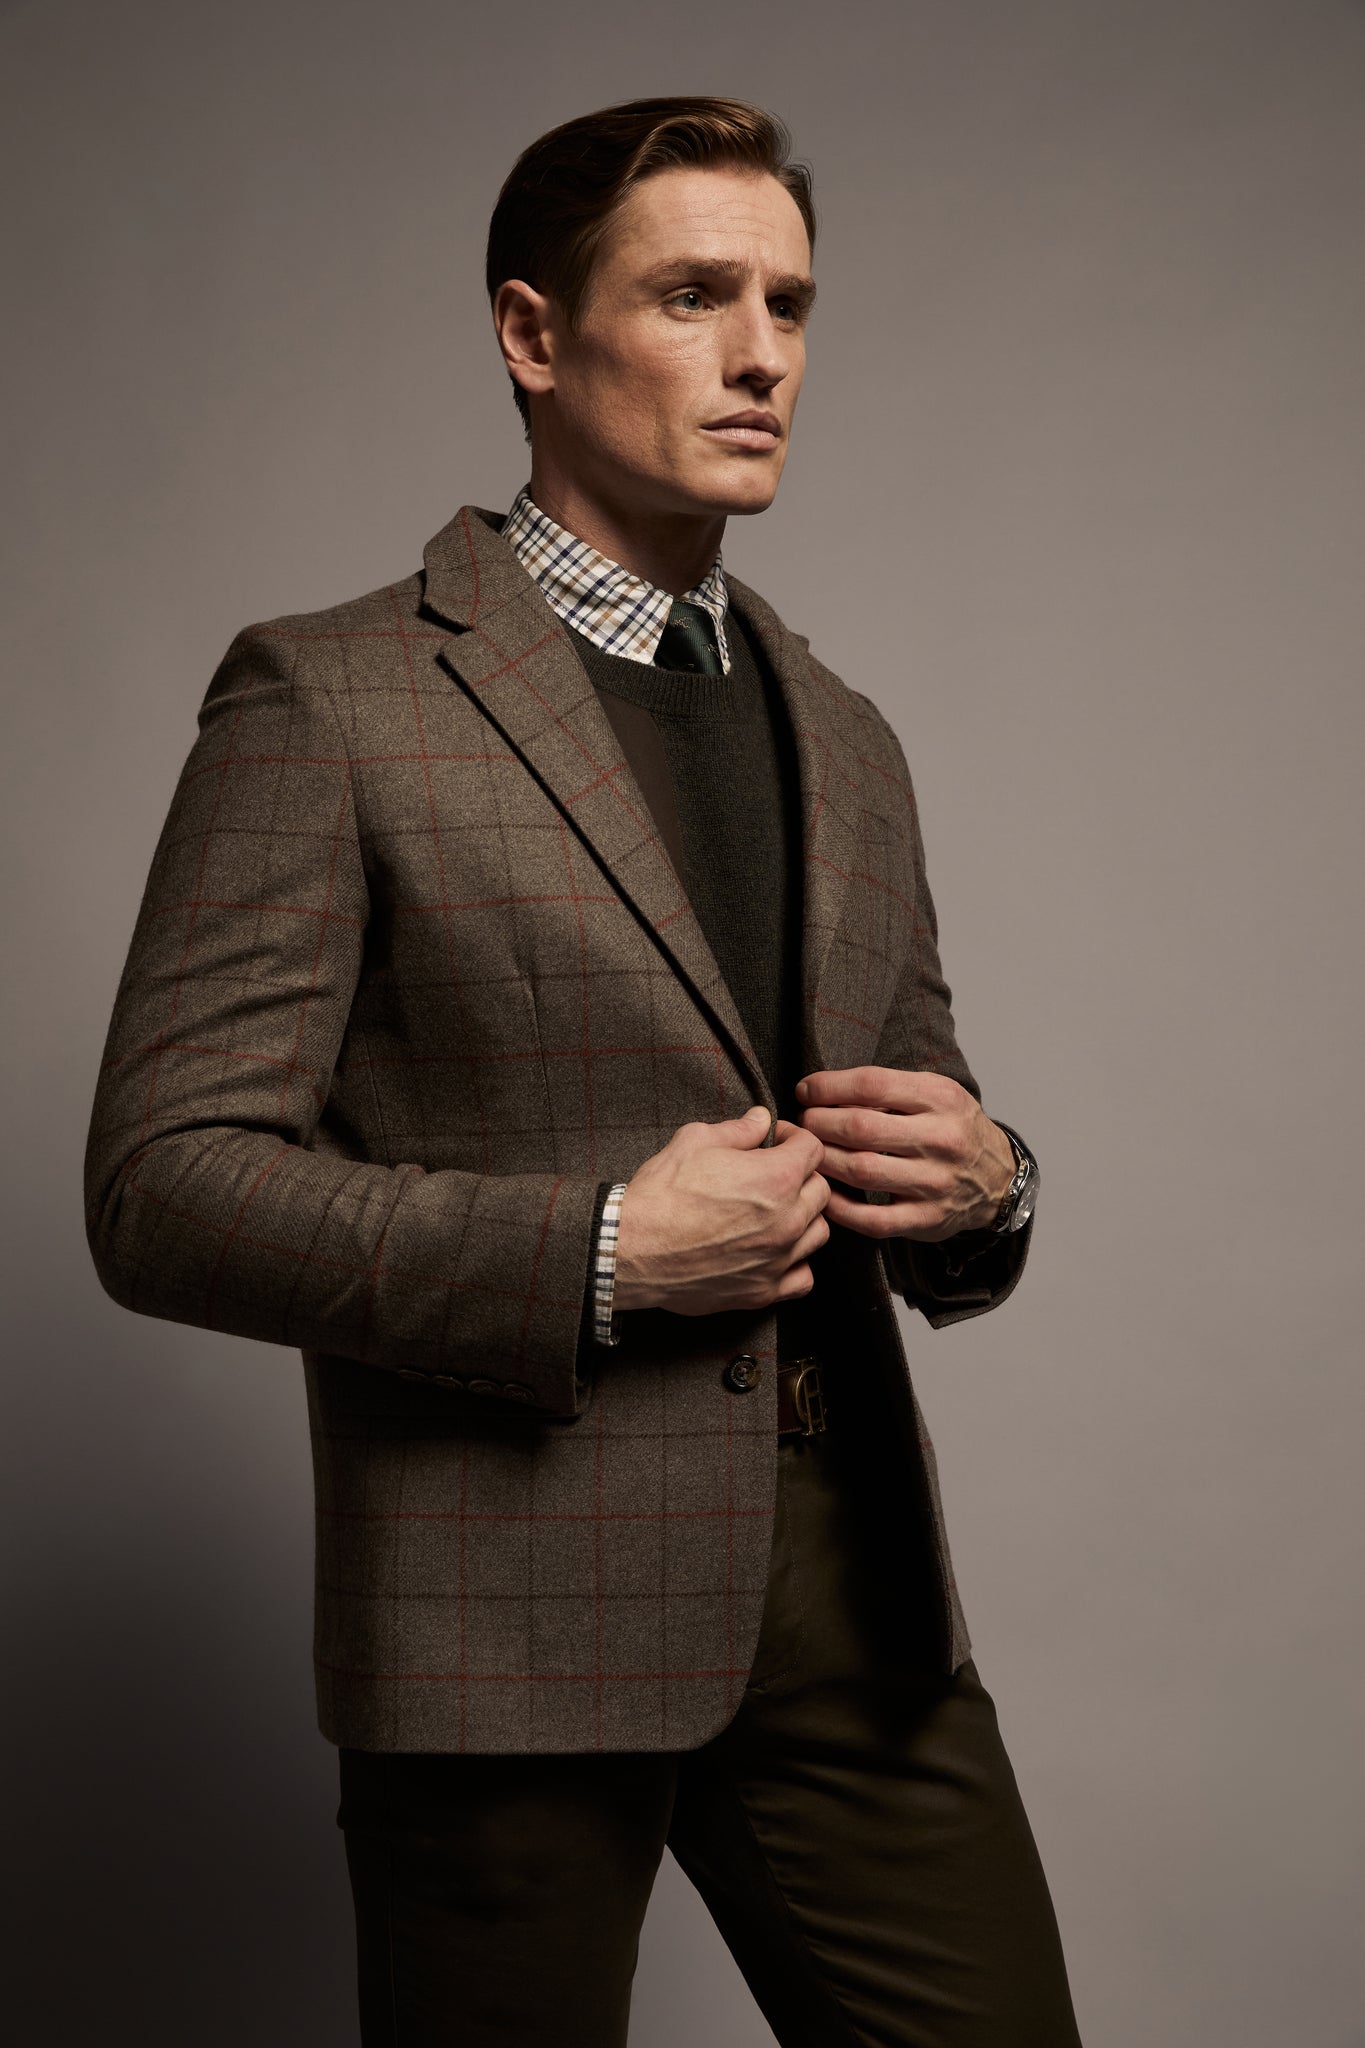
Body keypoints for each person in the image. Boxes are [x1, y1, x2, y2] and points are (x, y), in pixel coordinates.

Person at [85, 94, 1080, 2047]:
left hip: (855, 1600)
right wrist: (604, 1252)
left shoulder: (846, 732)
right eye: (694, 295)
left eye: (788, 303)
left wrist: (988, 1185)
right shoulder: (332, 699)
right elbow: (162, 1187)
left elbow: (923, 1118)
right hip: (506, 1624)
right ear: (532, 335)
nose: (760, 354)